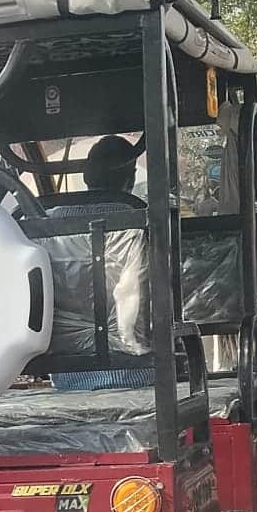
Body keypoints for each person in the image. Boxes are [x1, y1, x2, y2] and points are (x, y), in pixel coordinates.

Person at [50, 135, 154, 391]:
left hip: (67, 377)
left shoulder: (49, 225)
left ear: (86, 177)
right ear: (130, 179)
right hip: (138, 376)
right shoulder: (140, 223)